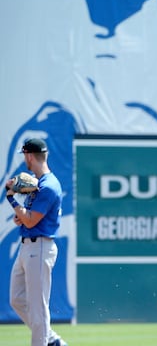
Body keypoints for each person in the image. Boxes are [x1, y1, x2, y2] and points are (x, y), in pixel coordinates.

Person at [4, 138, 67, 346]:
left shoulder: (48, 185)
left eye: (25, 155)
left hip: (39, 246)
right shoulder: (37, 182)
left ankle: (46, 341)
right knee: (17, 298)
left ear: (30, 156)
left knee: (39, 309)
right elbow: (27, 217)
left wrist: (12, 199)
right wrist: (20, 215)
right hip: (28, 246)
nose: (25, 160)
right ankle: (52, 340)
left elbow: (31, 220)